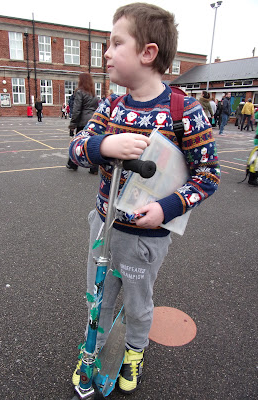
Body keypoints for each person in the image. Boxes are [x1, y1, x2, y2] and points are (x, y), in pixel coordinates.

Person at [69, 2, 220, 394]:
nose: (106, 52)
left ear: (147, 53)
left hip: (146, 237)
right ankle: (94, 349)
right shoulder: (111, 106)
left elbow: (208, 175)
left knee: (137, 303)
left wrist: (166, 209)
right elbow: (77, 147)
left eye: (116, 43)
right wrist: (105, 144)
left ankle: (134, 351)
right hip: (103, 226)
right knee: (97, 296)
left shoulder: (183, 111)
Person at [66, 72, 99, 175]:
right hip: (93, 121)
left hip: (83, 122)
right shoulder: (93, 94)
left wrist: (72, 125)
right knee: (92, 144)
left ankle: (72, 164)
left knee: (77, 143)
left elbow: (76, 110)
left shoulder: (79, 92)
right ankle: (94, 169)